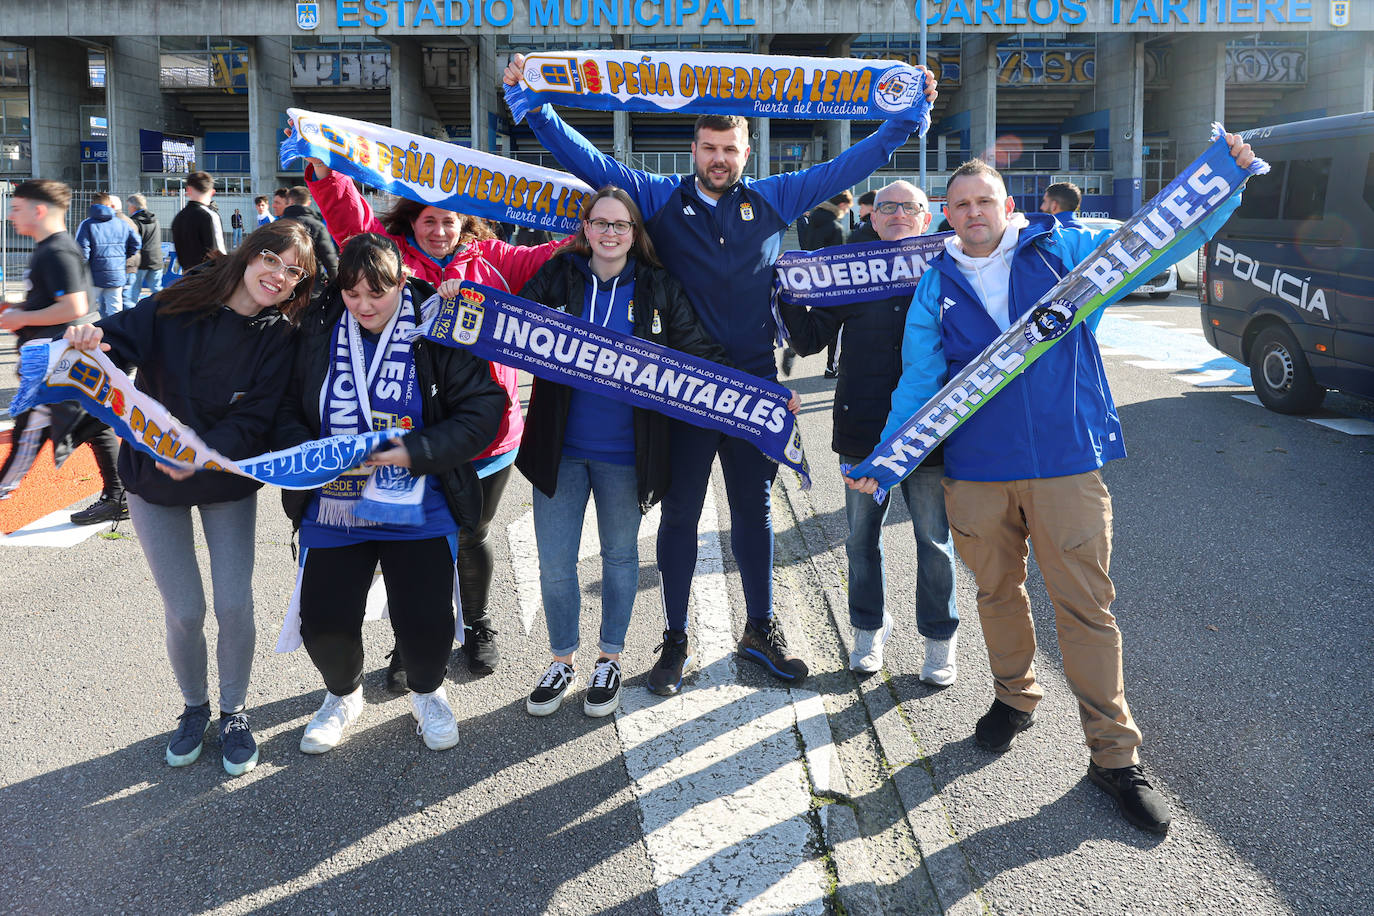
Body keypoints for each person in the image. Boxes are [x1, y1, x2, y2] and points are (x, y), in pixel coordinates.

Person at [848, 137, 1255, 835]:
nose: (974, 213)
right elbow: (919, 381)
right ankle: (1014, 698)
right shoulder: (935, 285)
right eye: (961, 205)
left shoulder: (1061, 252)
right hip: (977, 470)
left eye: (985, 201)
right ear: (946, 215)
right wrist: (885, 460)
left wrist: (1230, 183)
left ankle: (1114, 757)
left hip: (1067, 463)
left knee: (1086, 609)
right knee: (995, 593)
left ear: (1010, 207)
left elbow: (1153, 243)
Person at [503, 55, 939, 692]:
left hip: (755, 386)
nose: (719, 158)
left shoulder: (773, 197)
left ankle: (760, 629)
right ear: (693, 148)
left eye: (730, 148)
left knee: (753, 514)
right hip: (683, 385)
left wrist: (902, 121)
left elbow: (848, 167)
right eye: (709, 148)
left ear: (747, 148)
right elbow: (587, 163)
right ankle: (674, 640)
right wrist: (533, 107)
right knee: (679, 515)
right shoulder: (657, 196)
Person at [62, 220, 317, 776]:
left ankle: (235, 711)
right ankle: (194, 708)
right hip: (152, 477)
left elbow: (259, 414)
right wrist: (88, 335)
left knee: (233, 603)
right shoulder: (180, 299)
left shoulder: (280, 334)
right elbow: (115, 338)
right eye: (272, 259)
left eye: (294, 271)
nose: (278, 275)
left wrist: (200, 453)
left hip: (223, 477)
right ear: (250, 254)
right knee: (184, 611)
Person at [301, 148, 564, 680]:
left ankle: (479, 623)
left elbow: (558, 255)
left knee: (471, 534)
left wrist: (595, 218)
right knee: (410, 547)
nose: (439, 231)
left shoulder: (495, 259)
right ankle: (413, 641)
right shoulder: (391, 256)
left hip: (486, 436)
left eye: (449, 221)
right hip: (412, 438)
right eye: (428, 220)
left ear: (463, 221)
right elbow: (351, 221)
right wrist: (326, 174)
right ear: (411, 222)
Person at [274, 232, 505, 754]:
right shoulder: (319, 324)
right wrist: (307, 456)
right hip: (335, 504)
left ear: (402, 282)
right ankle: (342, 695)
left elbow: (483, 407)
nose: (364, 306)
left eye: (376, 294)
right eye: (353, 295)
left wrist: (416, 451)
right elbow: (288, 405)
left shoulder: (437, 321)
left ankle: (428, 693)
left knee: (425, 624)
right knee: (325, 622)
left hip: (418, 502)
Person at [513, 187, 730, 718]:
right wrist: (458, 299)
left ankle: (608, 657)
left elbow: (698, 353)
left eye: (621, 225)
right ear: (584, 228)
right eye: (600, 223)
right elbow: (508, 321)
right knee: (556, 565)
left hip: (625, 454)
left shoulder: (657, 286)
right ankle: (561, 659)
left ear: (635, 234)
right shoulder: (559, 276)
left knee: (619, 558)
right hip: (559, 449)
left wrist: (759, 392)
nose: (610, 234)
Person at [779, 180, 959, 681]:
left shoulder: (952, 269)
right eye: (888, 207)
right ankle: (868, 627)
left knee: (934, 541)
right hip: (862, 431)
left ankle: (940, 638)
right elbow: (811, 340)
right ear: (872, 217)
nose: (899, 213)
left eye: (911, 207)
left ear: (927, 218)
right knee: (860, 539)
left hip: (930, 431)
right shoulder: (849, 271)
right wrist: (789, 291)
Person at [0, 180, 126, 523]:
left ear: (38, 210)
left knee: (29, 432)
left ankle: (118, 497)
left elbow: (74, 305)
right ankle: (118, 496)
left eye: (16, 208)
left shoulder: (56, 251)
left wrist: (19, 317)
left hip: (52, 363)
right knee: (93, 426)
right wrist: (16, 310)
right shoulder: (49, 249)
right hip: (58, 359)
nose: (11, 215)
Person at [75, 191, 139, 319]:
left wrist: (81, 269)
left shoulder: (87, 224)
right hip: (116, 274)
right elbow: (136, 243)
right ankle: (114, 337)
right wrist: (123, 257)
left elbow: (82, 251)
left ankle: (90, 336)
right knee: (115, 312)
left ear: (92, 205)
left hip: (94, 275)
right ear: (110, 205)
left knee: (89, 311)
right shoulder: (122, 223)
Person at [280, 185, 339, 297]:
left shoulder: (278, 224)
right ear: (308, 202)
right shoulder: (317, 226)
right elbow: (329, 258)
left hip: (283, 284)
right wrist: (337, 282)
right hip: (311, 286)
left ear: (290, 201)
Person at [170, 171, 226, 271]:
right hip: (209, 277)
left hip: (187, 276)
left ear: (188, 190)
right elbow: (218, 253)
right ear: (212, 192)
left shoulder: (178, 217)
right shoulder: (210, 216)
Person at [125, 193, 164, 307]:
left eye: (128, 206)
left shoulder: (134, 222)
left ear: (133, 206)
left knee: (133, 294)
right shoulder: (155, 219)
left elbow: (133, 242)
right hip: (156, 259)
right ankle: (164, 312)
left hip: (140, 262)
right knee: (157, 290)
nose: (128, 209)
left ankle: (131, 320)